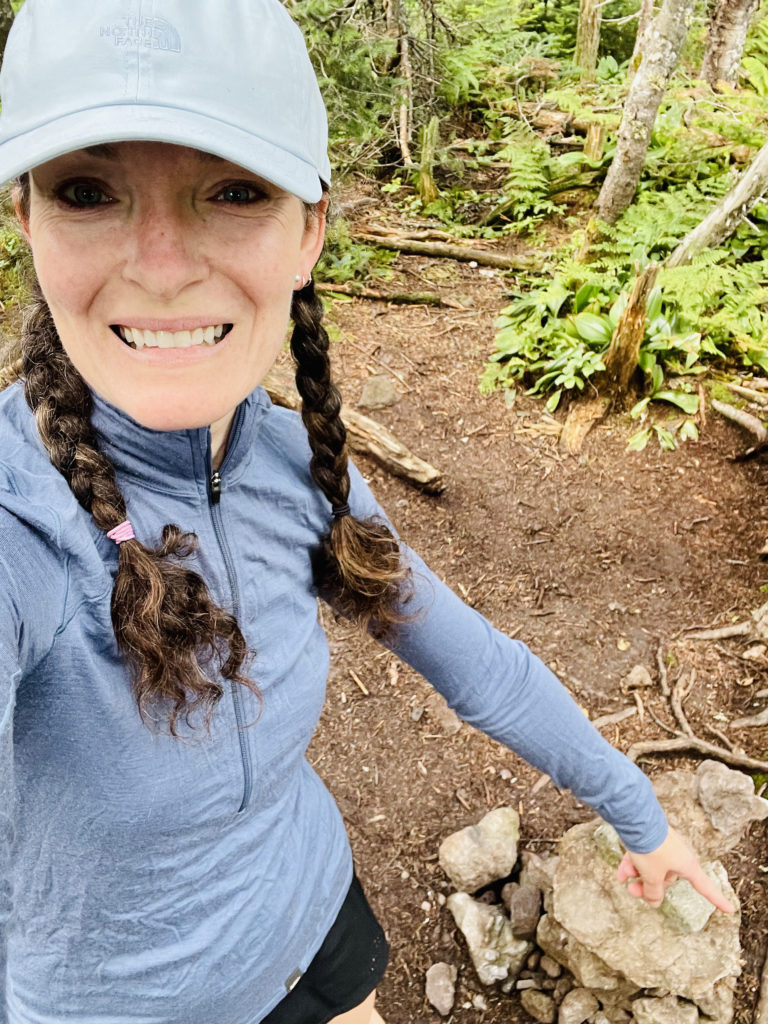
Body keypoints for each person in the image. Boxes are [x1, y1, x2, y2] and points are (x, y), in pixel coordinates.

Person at [0, 2, 732, 1023]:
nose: (161, 265)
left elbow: (474, 659)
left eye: (234, 191)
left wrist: (640, 814)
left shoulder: (305, 471)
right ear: (27, 220)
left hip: (313, 922)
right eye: (89, 190)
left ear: (308, 233)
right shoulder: (19, 522)